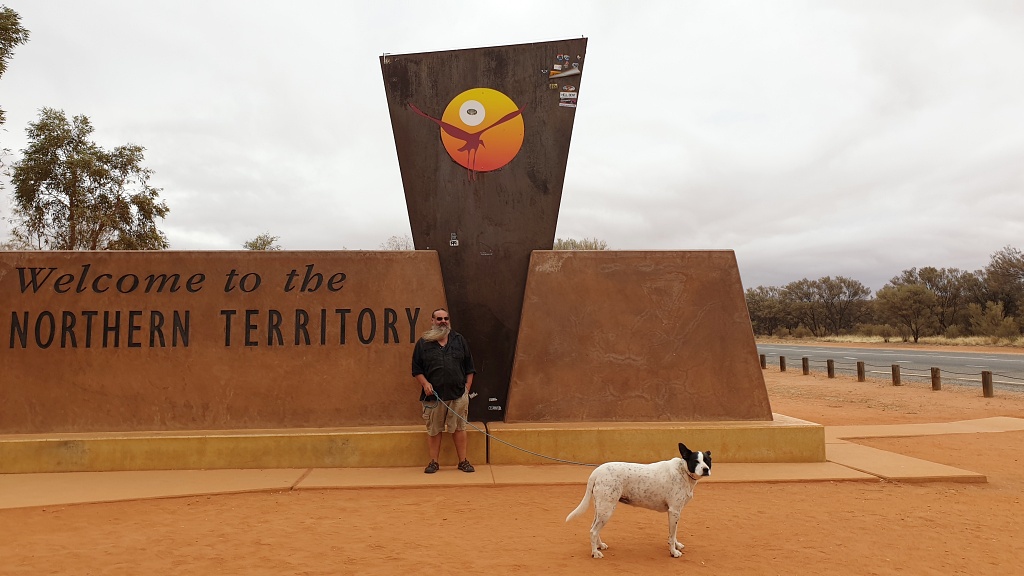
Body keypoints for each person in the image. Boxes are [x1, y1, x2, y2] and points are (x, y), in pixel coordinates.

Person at [411, 308, 476, 474]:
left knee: (459, 428)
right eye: (439, 319)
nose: (443, 321)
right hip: (434, 397)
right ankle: (433, 462)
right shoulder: (423, 343)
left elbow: (470, 368)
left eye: (446, 318)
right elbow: (416, 369)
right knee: (434, 429)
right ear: (432, 321)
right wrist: (425, 384)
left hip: (458, 395)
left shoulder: (459, 340)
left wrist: (466, 389)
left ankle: (463, 461)